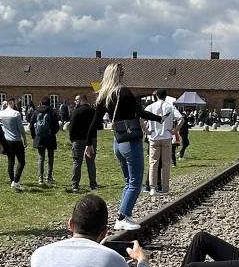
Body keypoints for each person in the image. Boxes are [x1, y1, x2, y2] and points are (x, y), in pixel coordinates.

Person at [87, 63, 162, 231]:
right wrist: (159, 119)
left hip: (118, 142)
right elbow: (141, 113)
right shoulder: (124, 92)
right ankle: (122, 217)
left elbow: (94, 122)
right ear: (118, 74)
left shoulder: (104, 95)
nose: (124, 73)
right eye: (122, 71)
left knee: (128, 181)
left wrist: (88, 143)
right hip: (131, 141)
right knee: (135, 182)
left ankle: (124, 214)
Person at [144, 89, 183, 196]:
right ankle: (165, 189)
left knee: (153, 163)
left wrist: (146, 131)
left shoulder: (151, 107)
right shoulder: (170, 106)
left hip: (154, 138)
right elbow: (181, 119)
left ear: (156, 95)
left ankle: (152, 188)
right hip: (167, 137)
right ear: (166, 97)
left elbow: (140, 119)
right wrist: (175, 131)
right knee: (166, 163)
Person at [68, 94, 99, 192]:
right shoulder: (93, 111)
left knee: (77, 162)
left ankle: (75, 185)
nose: (75, 101)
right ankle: (93, 184)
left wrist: (72, 139)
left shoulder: (76, 112)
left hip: (78, 140)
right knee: (91, 162)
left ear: (82, 100)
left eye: (77, 100)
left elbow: (71, 127)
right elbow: (97, 126)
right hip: (91, 140)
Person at [29, 98, 60, 185]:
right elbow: (57, 126)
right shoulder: (52, 112)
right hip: (50, 138)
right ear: (49, 103)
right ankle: (49, 177)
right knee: (50, 158)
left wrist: (34, 136)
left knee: (41, 158)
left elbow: (31, 125)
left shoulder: (36, 112)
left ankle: (40, 179)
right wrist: (52, 133)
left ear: (41, 102)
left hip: (39, 138)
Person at [0, 101, 28, 191]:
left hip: (7, 140)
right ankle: (15, 181)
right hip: (16, 140)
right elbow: (21, 128)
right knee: (21, 162)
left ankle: (12, 181)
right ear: (12, 103)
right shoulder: (16, 113)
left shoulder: (2, 113)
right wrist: (25, 139)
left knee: (10, 161)